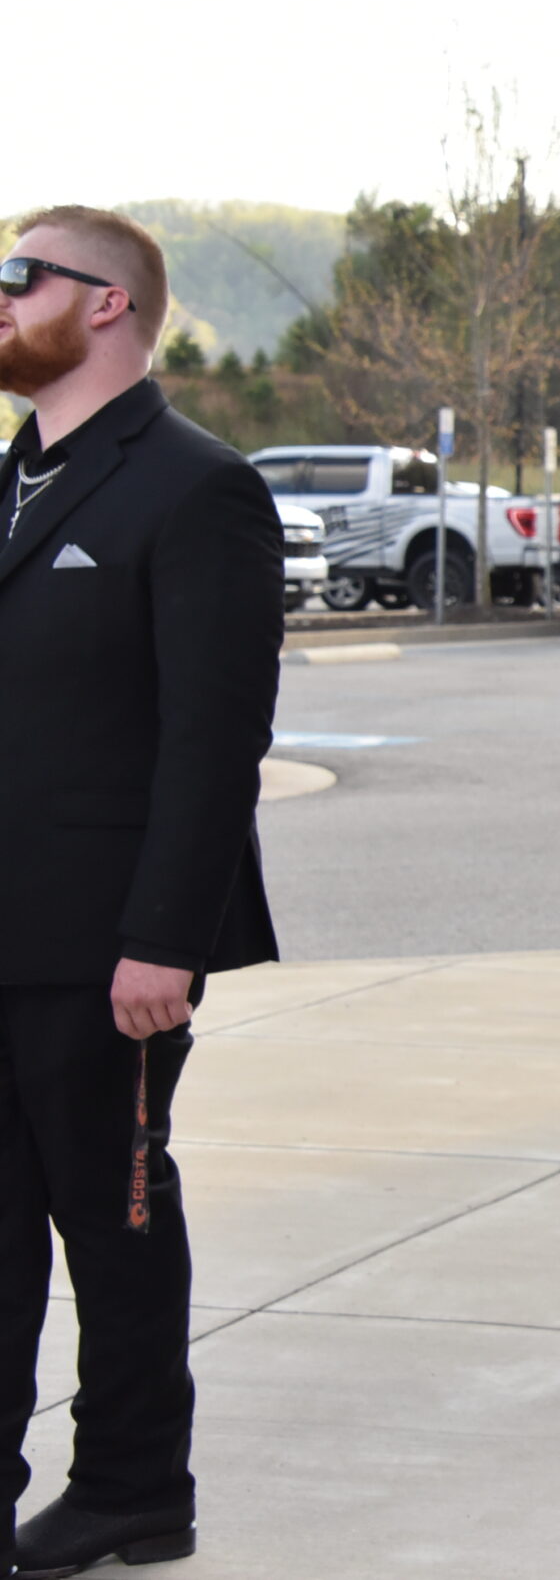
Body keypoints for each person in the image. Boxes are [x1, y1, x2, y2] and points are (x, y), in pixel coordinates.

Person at [0, 208, 282, 1576]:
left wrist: (165, 938)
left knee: (111, 1230)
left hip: (106, 950)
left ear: (106, 301)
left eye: (17, 274)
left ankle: (131, 1487)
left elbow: (213, 739)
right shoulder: (15, 483)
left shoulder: (196, 487)